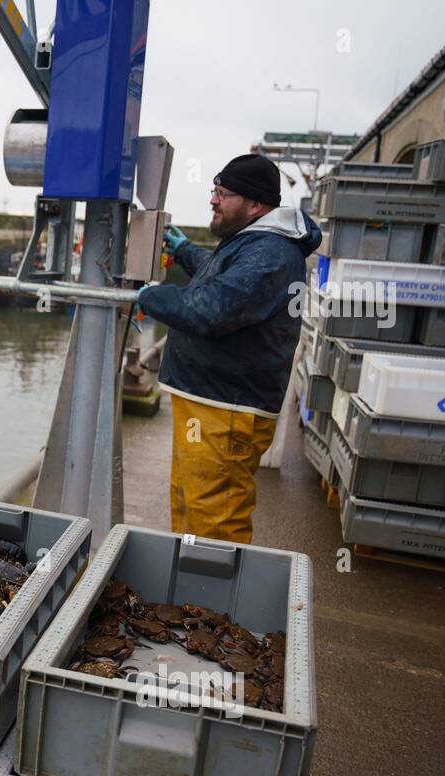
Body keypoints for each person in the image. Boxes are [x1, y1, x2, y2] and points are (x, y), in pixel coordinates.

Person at [137, 154, 322, 544]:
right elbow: (224, 275)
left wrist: (150, 296)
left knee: (214, 525)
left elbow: (211, 309)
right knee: (189, 507)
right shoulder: (257, 241)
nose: (213, 201)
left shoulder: (270, 254)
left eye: (223, 194)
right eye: (214, 191)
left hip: (226, 413)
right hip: (209, 407)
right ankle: (188, 598)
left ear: (255, 205)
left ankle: (210, 604)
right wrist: (185, 250)